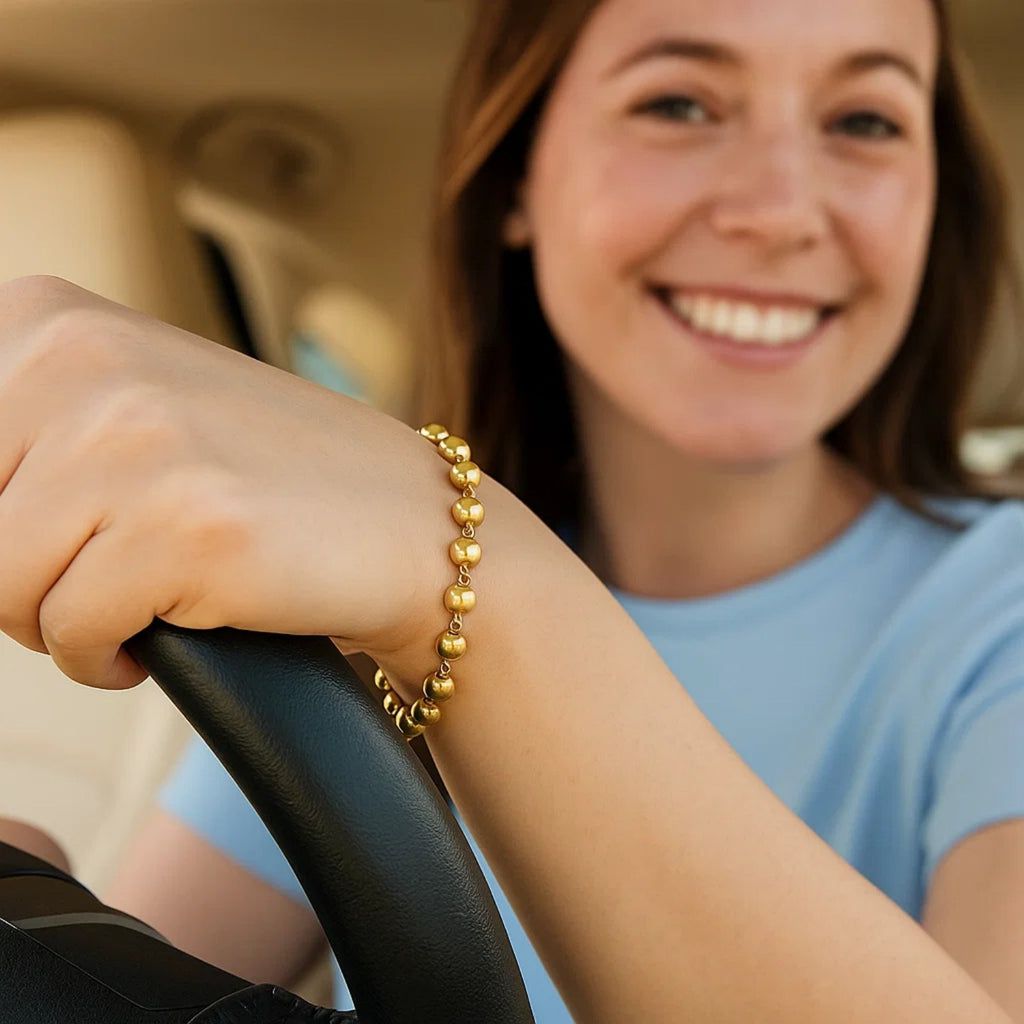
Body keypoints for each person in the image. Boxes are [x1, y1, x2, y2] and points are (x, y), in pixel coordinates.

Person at [0, 0, 1021, 1019]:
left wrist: (471, 565)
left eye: (866, 122)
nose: (781, 208)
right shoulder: (345, 619)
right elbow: (128, 974)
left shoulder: (998, 607)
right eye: (677, 102)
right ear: (516, 180)